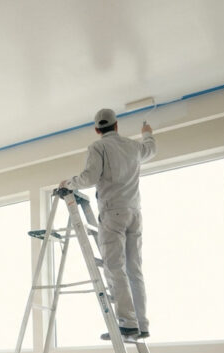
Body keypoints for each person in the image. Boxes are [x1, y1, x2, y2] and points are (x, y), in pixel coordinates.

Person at [58, 108, 156, 340]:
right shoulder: (133, 147)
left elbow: (90, 178)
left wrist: (68, 183)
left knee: (115, 268)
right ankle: (141, 324)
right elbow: (151, 149)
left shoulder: (98, 147)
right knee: (135, 270)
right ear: (116, 125)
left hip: (113, 213)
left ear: (96, 129)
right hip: (134, 212)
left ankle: (127, 323)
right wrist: (147, 133)